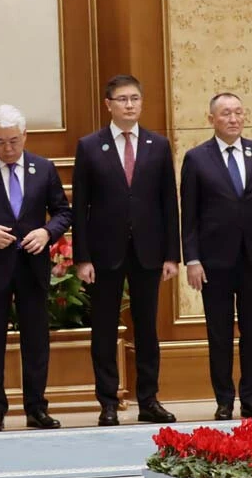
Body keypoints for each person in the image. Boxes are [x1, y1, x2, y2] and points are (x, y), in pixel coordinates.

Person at [0, 104, 73, 432]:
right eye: (0, 142)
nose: (7, 148)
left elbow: (63, 212)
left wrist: (46, 232)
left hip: (33, 265)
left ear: (25, 136)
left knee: (36, 340)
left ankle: (36, 408)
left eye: (13, 141)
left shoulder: (43, 168)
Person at [71, 74, 181, 426]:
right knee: (104, 327)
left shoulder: (157, 145)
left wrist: (171, 254)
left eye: (135, 98)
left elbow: (169, 202)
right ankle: (108, 401)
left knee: (147, 327)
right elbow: (80, 207)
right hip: (104, 251)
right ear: (109, 105)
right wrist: (82, 257)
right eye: (122, 99)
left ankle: (148, 399)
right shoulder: (90, 146)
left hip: (149, 250)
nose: (129, 105)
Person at [180, 92, 252, 421]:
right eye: (226, 113)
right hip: (213, 262)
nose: (233, 119)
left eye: (238, 112)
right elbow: (189, 216)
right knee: (220, 333)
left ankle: (251, 398)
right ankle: (224, 399)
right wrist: (192, 259)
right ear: (211, 119)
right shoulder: (196, 158)